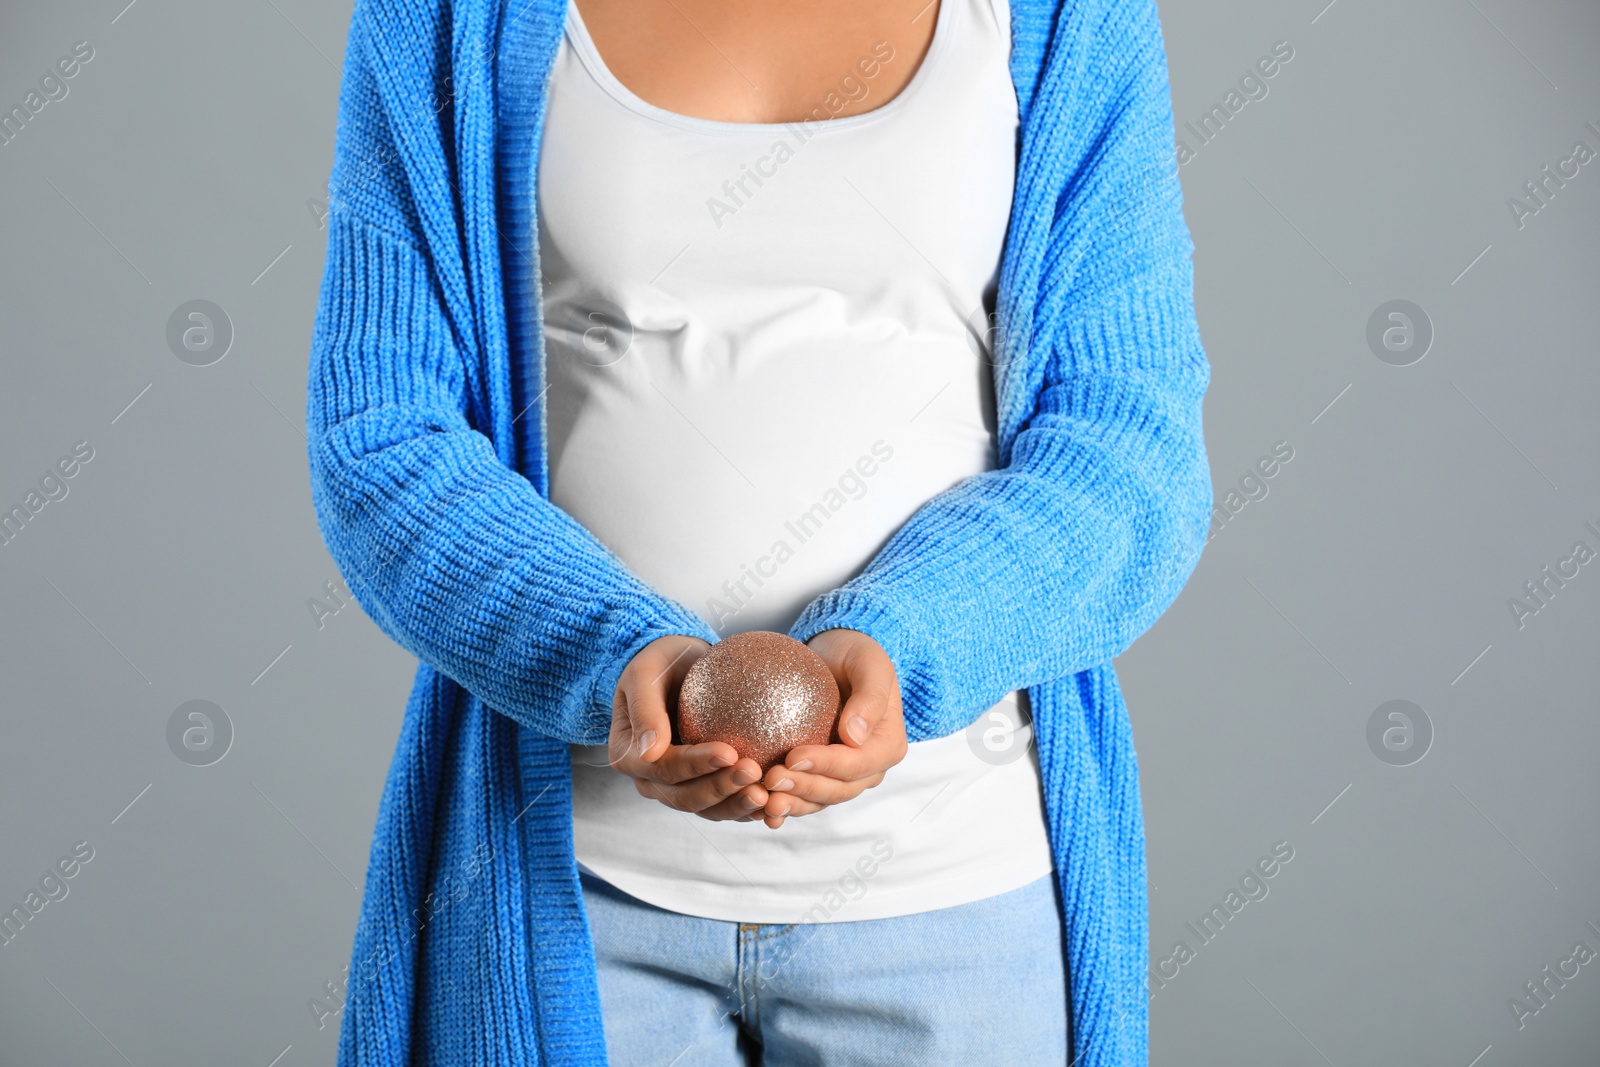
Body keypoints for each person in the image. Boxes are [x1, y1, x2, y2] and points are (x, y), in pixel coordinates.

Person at [305, 0, 1212, 1061]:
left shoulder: (1070, 20)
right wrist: (617, 655)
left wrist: (900, 646)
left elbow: (1129, 441)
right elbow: (380, 434)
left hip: (957, 882)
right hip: (575, 875)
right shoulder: (448, 19)